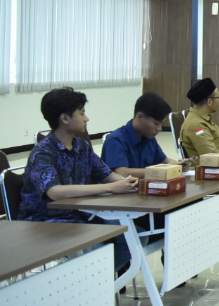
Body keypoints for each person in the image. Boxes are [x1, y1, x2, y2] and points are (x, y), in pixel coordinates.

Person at [18, 87, 137, 269]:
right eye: (82, 113)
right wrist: (111, 188)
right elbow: (55, 191)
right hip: (45, 222)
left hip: (79, 214)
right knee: (100, 249)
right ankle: (94, 277)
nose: (86, 118)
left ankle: (98, 278)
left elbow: (106, 174)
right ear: (64, 118)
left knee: (133, 236)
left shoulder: (81, 146)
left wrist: (127, 182)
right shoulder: (42, 153)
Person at [101, 92, 187, 178]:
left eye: (161, 124)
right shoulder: (116, 140)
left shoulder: (149, 137)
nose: (159, 129)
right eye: (156, 124)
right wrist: (159, 171)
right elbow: (122, 173)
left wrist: (177, 165)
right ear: (139, 117)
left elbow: (166, 161)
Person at [180, 78, 219, 162]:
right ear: (210, 102)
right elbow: (213, 157)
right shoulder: (196, 125)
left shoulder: (205, 120)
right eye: (218, 97)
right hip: (212, 168)